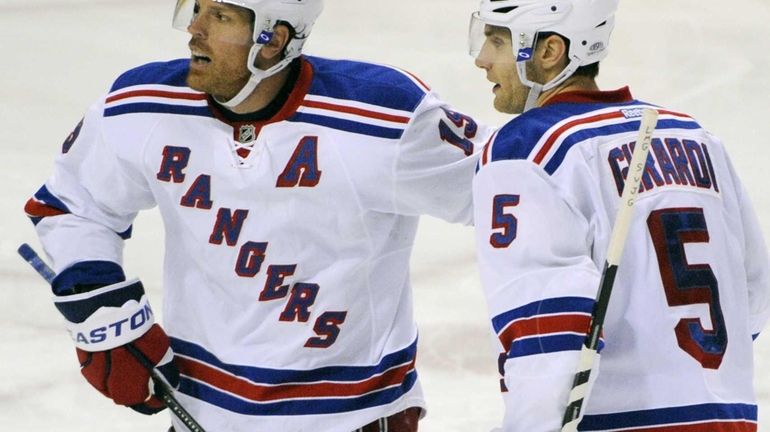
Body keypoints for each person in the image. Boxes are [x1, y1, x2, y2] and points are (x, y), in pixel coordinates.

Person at [23, 0, 493, 430]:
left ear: (274, 38)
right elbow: (73, 204)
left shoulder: (383, 117)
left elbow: (516, 194)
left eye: (221, 16)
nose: (194, 29)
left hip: (352, 417)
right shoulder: (142, 105)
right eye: (196, 8)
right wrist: (98, 299)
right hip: (203, 412)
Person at [467, 0, 770, 430]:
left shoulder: (527, 149)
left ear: (550, 51)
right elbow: (753, 294)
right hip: (728, 417)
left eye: (497, 41)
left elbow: (550, 332)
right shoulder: (697, 137)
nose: (482, 59)